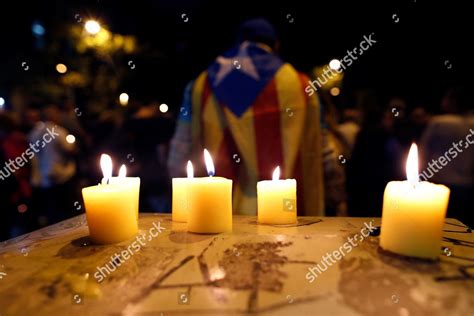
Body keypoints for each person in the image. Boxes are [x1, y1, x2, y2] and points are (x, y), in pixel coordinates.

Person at [168, 18, 324, 215]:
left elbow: (180, 149)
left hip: (217, 212)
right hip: (286, 211)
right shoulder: (301, 84)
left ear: (238, 41)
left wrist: (179, 203)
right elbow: (322, 149)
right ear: (275, 45)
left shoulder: (201, 83)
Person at [420, 87, 474, 227]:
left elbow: (423, 151)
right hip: (465, 183)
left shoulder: (439, 122)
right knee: (458, 226)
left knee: (433, 224)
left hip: (437, 180)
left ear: (453, 101)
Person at [29, 104, 77, 226]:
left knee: (50, 213)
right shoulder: (58, 131)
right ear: (54, 116)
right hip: (60, 175)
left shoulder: (34, 132)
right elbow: (69, 150)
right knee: (65, 211)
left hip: (42, 177)